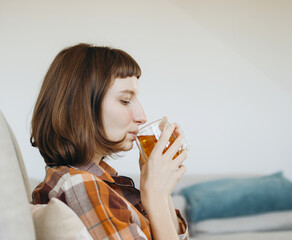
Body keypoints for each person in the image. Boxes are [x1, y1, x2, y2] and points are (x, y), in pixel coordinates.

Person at [31, 43, 189, 239]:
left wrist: (162, 193)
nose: (142, 116)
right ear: (82, 108)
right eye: (125, 100)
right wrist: (155, 197)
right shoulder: (80, 186)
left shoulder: (103, 183)